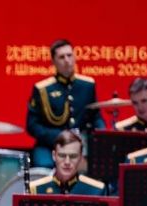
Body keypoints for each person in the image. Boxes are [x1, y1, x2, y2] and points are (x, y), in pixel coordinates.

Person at [26, 39, 105, 168]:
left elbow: (95, 117)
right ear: (54, 61)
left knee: (99, 163)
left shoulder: (87, 85)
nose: (67, 60)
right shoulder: (43, 89)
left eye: (69, 55)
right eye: (61, 57)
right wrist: (59, 137)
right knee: (43, 165)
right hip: (50, 144)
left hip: (80, 143)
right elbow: (32, 125)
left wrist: (102, 135)